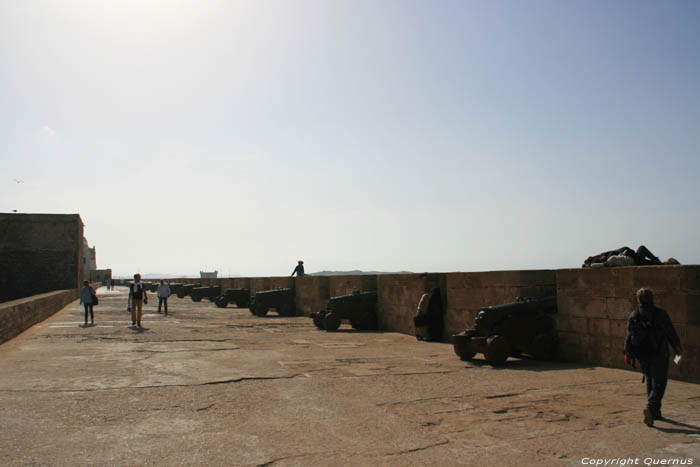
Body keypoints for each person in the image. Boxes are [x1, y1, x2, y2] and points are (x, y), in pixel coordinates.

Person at [624, 288, 683, 427]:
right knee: (660, 383)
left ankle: (656, 413)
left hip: (643, 354)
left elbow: (628, 336)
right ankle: (651, 408)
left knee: (650, 379)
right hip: (659, 353)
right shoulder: (660, 314)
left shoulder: (634, 315)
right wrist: (678, 349)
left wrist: (628, 353)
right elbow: (670, 332)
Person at [583, 245, 663, 268]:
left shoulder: (609, 257)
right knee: (642, 248)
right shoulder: (610, 257)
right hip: (634, 260)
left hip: (634, 260)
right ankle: (660, 264)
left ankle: (659, 263)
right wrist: (626, 252)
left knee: (649, 262)